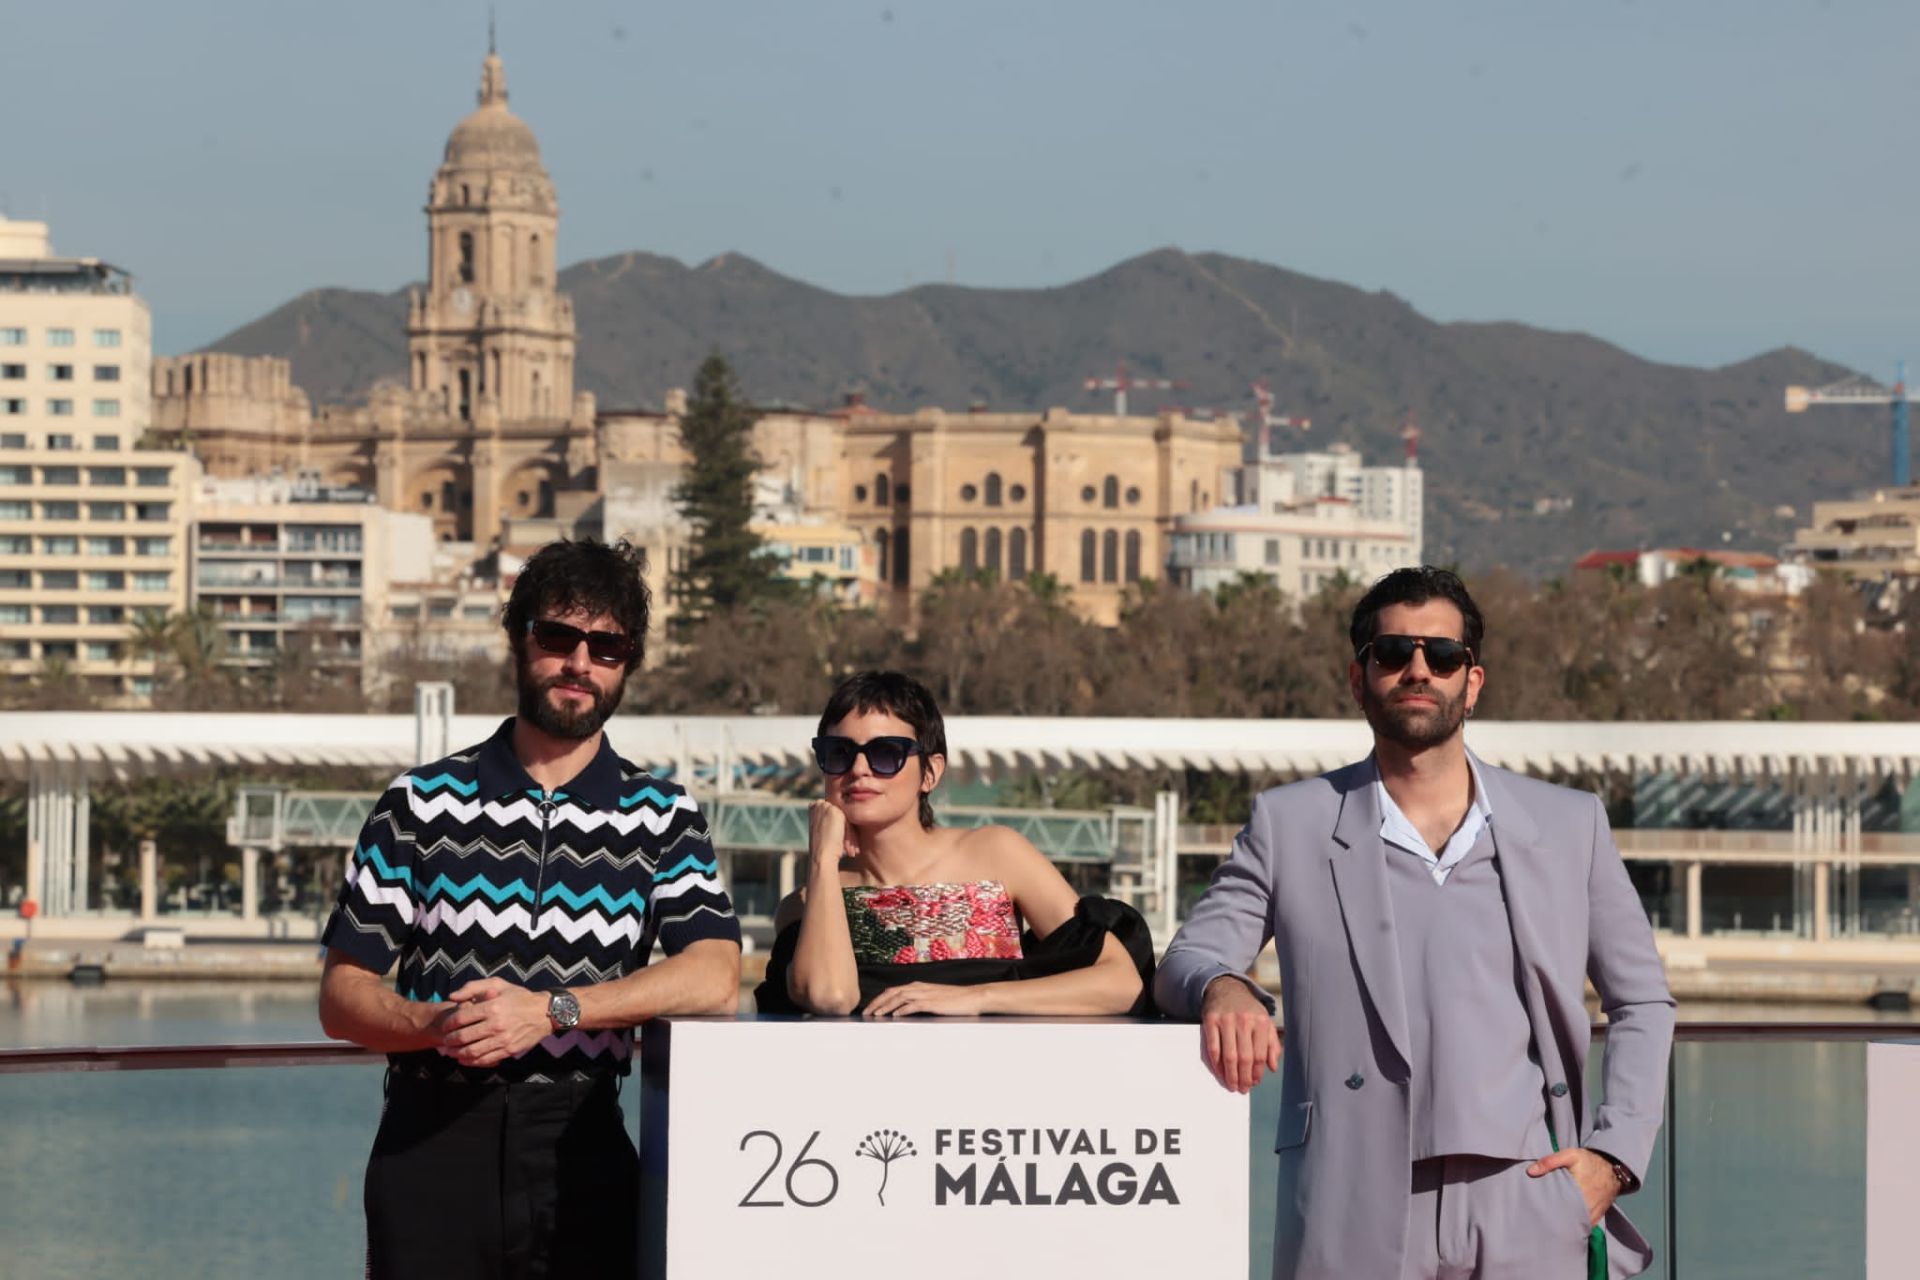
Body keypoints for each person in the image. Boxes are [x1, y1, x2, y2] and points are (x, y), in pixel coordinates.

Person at [1156, 566, 1674, 1280]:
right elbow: (1189, 956)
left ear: (1473, 681)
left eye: (1444, 654)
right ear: (1359, 677)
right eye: (1394, 652)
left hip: (1529, 1194)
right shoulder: (1291, 822)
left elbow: (1643, 1000)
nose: (1419, 670)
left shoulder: (1568, 824)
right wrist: (1224, 987)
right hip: (1350, 1199)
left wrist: (1613, 1159)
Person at [317, 538, 742, 1279]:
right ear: (519, 639)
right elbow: (341, 996)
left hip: (582, 1146)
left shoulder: (663, 814)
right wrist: (436, 1024)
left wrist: (553, 1011)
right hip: (428, 1147)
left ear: (628, 663)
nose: (580, 662)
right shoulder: (418, 802)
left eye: (606, 647)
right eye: (557, 636)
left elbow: (715, 975)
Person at [757, 670, 1151, 1017]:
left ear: (930, 772)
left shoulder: (997, 854)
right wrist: (822, 860)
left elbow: (1120, 983)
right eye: (838, 753)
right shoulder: (809, 902)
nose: (859, 769)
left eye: (885, 754)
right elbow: (829, 997)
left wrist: (975, 998)